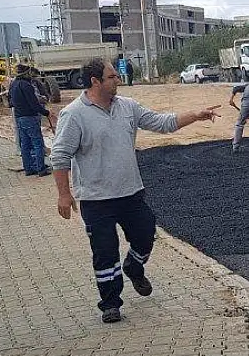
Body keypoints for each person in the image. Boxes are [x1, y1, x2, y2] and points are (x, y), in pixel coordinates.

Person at [50, 58, 220, 324]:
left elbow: (162, 123)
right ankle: (110, 303)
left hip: (130, 193)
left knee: (145, 234)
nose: (118, 80)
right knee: (105, 251)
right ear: (95, 82)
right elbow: (60, 156)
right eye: (112, 77)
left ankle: (134, 266)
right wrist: (63, 194)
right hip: (96, 199)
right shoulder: (74, 115)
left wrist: (195, 115)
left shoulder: (127, 107)